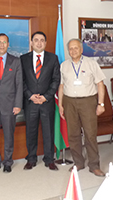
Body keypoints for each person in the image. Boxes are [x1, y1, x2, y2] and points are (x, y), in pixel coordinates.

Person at [58, 39, 106, 177]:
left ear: (81, 49)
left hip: (88, 101)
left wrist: (101, 104)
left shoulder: (91, 64)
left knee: (90, 134)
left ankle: (94, 165)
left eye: (76, 48)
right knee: (73, 134)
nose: (73, 51)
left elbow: (100, 84)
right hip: (69, 102)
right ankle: (78, 162)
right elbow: (61, 86)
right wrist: (61, 105)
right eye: (71, 49)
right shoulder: (64, 65)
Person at [21, 31, 60, 171]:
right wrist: (30, 95)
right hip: (30, 102)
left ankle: (49, 159)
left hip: (46, 102)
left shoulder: (52, 58)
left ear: (45, 43)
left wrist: (46, 96)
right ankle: (31, 159)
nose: (39, 42)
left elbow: (56, 80)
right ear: (31, 42)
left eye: (42, 40)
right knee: (31, 132)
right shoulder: (23, 58)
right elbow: (21, 81)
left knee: (48, 132)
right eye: (36, 40)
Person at [0, 33, 23, 173]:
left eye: (4, 42)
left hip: (9, 105)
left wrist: (18, 104)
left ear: (8, 44)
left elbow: (19, 84)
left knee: (9, 134)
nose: (2, 45)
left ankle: (8, 161)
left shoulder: (15, 61)